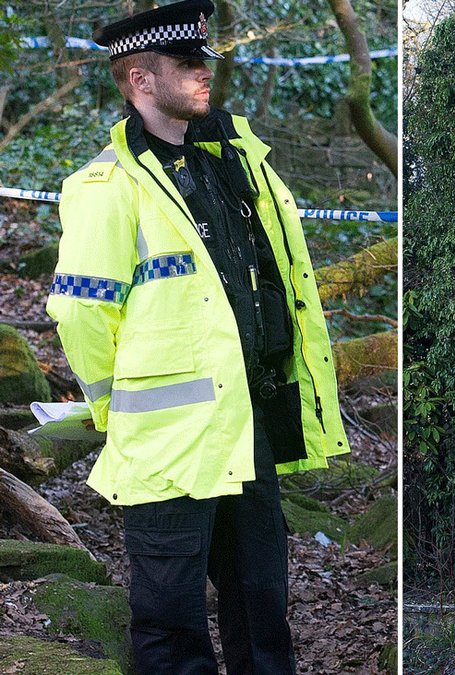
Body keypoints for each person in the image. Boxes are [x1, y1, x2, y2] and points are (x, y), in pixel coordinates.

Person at [45, 1, 351, 672]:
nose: (202, 75)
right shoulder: (107, 185)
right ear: (141, 81)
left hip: (249, 426)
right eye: (186, 65)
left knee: (264, 614)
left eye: (202, 62)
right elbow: (79, 313)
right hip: (169, 440)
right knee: (171, 625)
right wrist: (116, 407)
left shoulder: (234, 165)